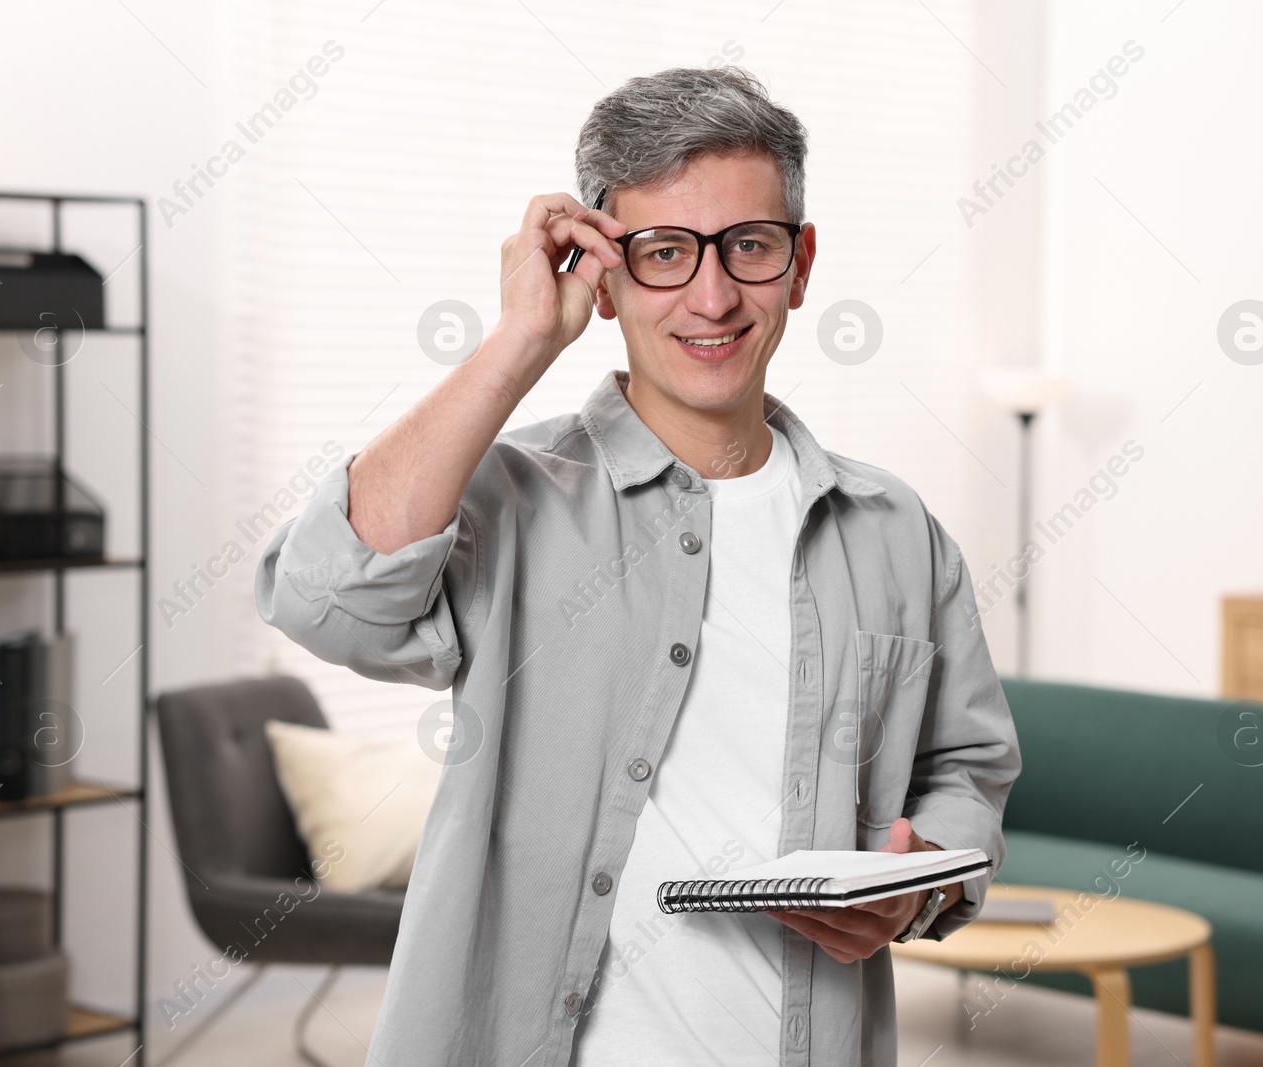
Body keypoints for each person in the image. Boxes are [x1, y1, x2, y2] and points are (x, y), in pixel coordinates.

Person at [255, 65, 1020, 1067]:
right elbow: (327, 599)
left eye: (748, 245)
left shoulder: (893, 529)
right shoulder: (509, 498)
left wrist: (916, 883)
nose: (712, 295)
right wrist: (523, 337)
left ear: (799, 263)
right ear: (604, 277)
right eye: (663, 252)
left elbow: (967, 767)